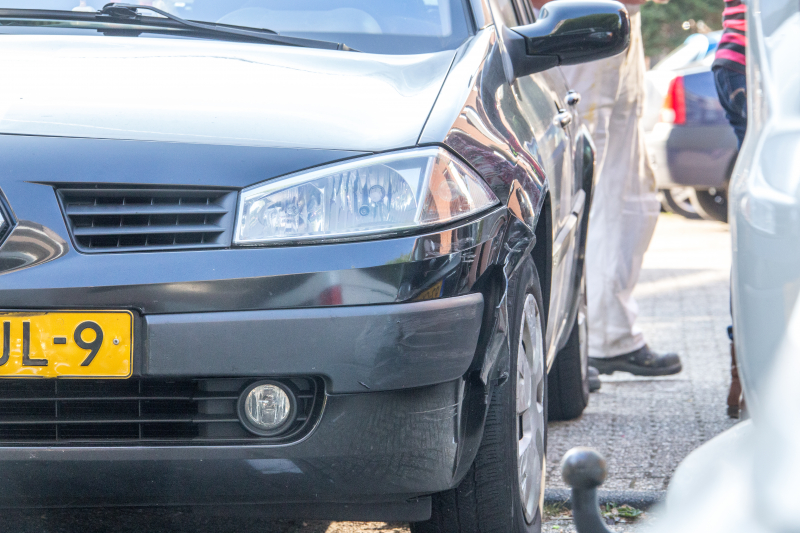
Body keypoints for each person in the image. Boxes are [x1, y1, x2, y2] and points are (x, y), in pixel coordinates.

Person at [531, 0, 682, 376]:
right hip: (577, 20)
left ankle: (611, 335)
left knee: (628, 195)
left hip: (621, 24)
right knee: (576, 187)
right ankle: (566, 351)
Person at [712, 0, 747, 417]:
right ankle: (746, 364)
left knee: (760, 224)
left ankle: (743, 368)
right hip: (760, 65)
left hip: (737, 60)